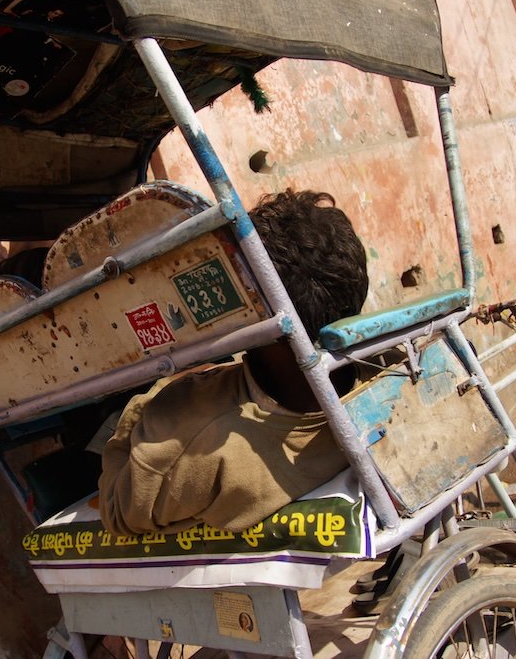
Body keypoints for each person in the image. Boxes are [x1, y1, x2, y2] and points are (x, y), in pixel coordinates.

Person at [98, 189, 369, 536]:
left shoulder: (190, 442)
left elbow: (117, 513)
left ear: (258, 314)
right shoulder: (389, 375)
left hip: (142, 433)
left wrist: (148, 402)